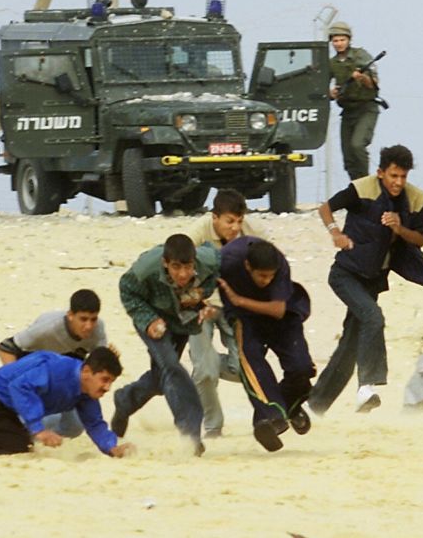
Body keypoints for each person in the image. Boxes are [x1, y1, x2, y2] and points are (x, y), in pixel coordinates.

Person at [309, 144, 423, 415]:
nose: (398, 182)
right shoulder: (362, 189)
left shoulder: (414, 200)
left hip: (374, 279)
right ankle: (366, 387)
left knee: (351, 345)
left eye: (403, 176)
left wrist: (399, 228)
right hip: (345, 274)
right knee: (373, 317)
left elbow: (421, 239)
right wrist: (335, 233)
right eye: (393, 176)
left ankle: (314, 406)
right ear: (381, 173)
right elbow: (325, 208)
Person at [111, 234, 219, 455]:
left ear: (195, 262)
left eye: (188, 267)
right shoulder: (145, 269)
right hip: (151, 317)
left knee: (162, 379)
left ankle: (125, 400)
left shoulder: (210, 261)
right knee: (171, 368)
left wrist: (199, 298)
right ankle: (190, 436)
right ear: (165, 263)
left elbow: (217, 275)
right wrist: (148, 320)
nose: (183, 274)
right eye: (176, 267)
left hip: (182, 320)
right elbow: (126, 290)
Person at [0, 347, 133, 459]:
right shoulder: (57, 369)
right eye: (104, 380)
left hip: (2, 409)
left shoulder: (86, 391)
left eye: (111, 382)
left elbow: (94, 423)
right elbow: (20, 387)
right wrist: (38, 428)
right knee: (18, 448)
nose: (107, 388)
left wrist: (111, 447)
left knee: (21, 446)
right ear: (87, 372)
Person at [217, 237, 314, 451]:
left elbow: (278, 309)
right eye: (262, 276)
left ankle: (289, 408)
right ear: (247, 266)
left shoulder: (279, 263)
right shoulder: (226, 261)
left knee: (302, 367)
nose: (267, 281)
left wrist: (239, 299)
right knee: (251, 360)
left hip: (282, 314)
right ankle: (272, 416)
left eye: (271, 276)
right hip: (245, 319)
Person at [186, 188, 263, 438]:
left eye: (239, 221)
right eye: (229, 221)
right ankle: (213, 427)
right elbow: (173, 265)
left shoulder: (254, 235)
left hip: (236, 306)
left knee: (247, 369)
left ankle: (199, 369)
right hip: (200, 306)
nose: (235, 227)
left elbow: (272, 268)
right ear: (214, 218)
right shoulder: (196, 233)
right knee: (206, 373)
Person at [0, 288, 110, 437]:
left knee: (74, 427)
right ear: (70, 315)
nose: (88, 326)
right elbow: (5, 347)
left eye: (93, 319)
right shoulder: (48, 328)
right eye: (83, 319)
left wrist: (109, 359)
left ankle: (45, 439)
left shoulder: (98, 328)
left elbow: (97, 366)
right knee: (28, 424)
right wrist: (14, 381)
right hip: (35, 375)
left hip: (66, 376)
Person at [326, 22, 381, 182]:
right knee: (348, 157)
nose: (339, 44)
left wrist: (362, 77)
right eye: (335, 41)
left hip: (366, 108)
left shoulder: (361, 56)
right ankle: (357, 189)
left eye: (342, 40)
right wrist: (331, 93)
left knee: (357, 145)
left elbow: (374, 84)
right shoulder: (332, 63)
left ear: (349, 40)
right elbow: (322, 87)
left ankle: (366, 185)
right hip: (348, 111)